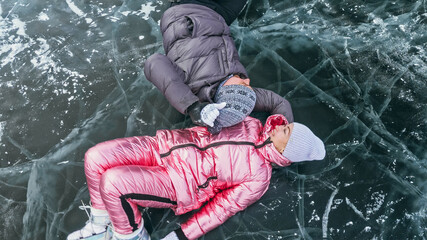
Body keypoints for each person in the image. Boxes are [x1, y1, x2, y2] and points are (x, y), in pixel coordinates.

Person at [66, 114, 326, 240]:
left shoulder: (258, 177)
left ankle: (132, 235)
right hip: (164, 146)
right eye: (286, 125)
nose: (281, 126)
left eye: (286, 130)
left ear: (287, 151)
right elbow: (215, 117)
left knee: (113, 183)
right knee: (96, 157)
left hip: (178, 184)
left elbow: (222, 209)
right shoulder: (251, 123)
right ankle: (101, 224)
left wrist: (181, 236)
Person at [144, 0, 294, 134]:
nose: (247, 82)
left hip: (187, 8)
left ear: (226, 91)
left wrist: (193, 107)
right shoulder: (243, 98)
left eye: (242, 85)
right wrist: (283, 135)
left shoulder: (192, 85)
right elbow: (279, 102)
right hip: (219, 18)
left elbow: (154, 62)